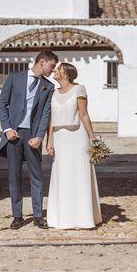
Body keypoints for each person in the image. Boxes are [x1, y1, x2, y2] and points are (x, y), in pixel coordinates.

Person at [0, 50, 58, 230]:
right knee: (14, 176)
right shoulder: (15, 77)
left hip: (33, 136)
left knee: (36, 176)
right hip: (14, 135)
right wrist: (7, 129)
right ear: (41, 62)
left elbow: (46, 113)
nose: (53, 70)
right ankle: (17, 216)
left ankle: (38, 216)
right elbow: (2, 104)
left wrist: (40, 137)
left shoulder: (49, 86)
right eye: (52, 66)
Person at [46, 62, 102, 229]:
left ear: (66, 73)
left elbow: (84, 114)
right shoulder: (53, 93)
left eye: (58, 68)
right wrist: (49, 142)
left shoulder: (79, 89)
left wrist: (93, 137)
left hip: (78, 137)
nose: (54, 70)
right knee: (62, 175)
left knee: (79, 174)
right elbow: (51, 120)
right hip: (60, 139)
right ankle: (62, 217)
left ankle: (83, 217)